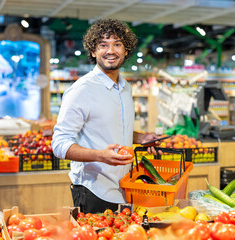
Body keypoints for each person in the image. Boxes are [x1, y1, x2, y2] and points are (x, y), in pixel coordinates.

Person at [52, 18, 161, 214]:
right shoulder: (82, 90)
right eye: (103, 45)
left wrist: (141, 138)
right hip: (94, 190)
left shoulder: (125, 87)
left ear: (126, 50)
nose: (111, 51)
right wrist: (100, 156)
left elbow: (112, 127)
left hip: (125, 187)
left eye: (117, 44)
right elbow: (59, 144)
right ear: (93, 52)